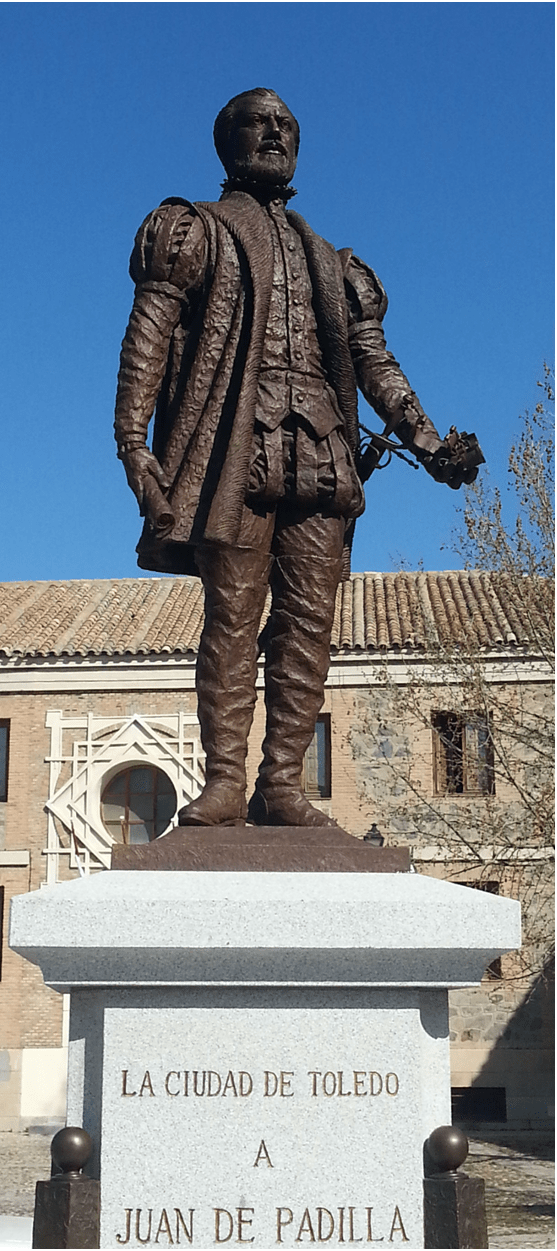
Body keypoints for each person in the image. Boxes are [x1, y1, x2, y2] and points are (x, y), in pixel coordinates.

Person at [114, 87, 483, 829]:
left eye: (286, 125)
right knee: (232, 617)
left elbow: (373, 360)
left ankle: (281, 782)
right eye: (259, 122)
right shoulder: (194, 230)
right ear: (227, 141)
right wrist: (132, 441)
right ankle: (225, 781)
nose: (275, 133)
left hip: (320, 454)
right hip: (235, 449)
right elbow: (147, 335)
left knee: (309, 623)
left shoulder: (331, 261)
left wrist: (427, 441)